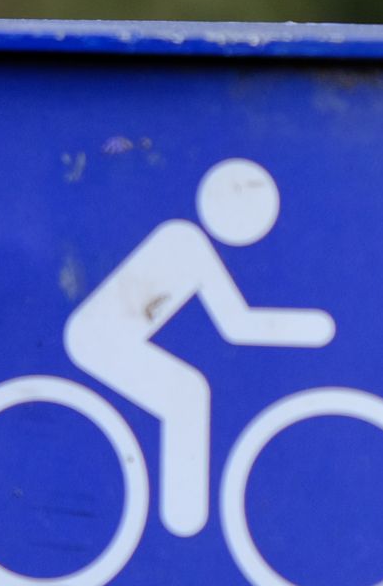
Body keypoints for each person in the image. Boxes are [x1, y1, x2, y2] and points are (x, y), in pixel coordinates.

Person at [65, 159, 333, 539]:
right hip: (97, 340)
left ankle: (183, 518)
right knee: (188, 391)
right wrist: (313, 329)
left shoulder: (186, 238)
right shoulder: (184, 241)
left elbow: (232, 321)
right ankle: (183, 518)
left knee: (188, 387)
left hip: (107, 337)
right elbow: (234, 324)